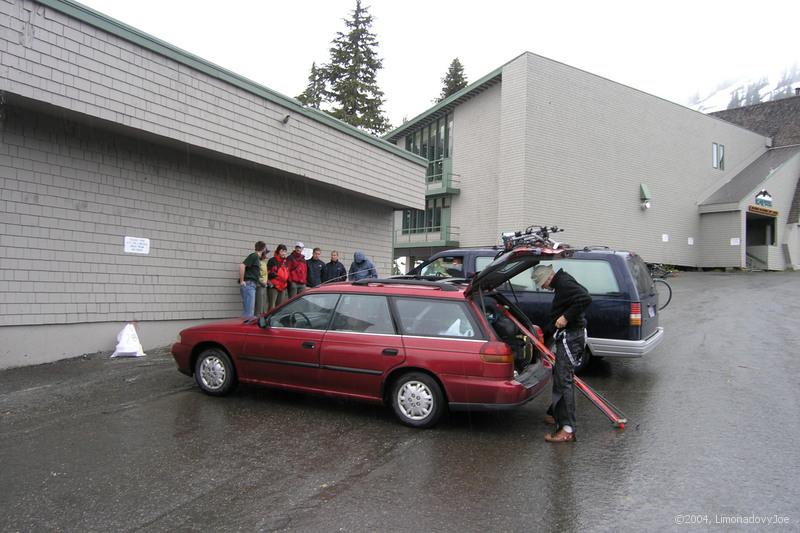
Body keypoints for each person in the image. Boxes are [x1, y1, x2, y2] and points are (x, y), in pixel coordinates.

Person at [532, 263, 592, 443]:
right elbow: (575, 300)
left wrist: (566, 317)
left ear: (549, 278)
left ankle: (567, 429)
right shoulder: (563, 282)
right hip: (571, 336)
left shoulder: (564, 283)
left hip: (571, 338)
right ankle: (557, 415)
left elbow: (585, 298)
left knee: (563, 381)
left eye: (543, 284)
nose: (544, 288)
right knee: (561, 379)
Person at [239, 241, 267, 316]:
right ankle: (245, 327)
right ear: (263, 249)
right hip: (249, 285)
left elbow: (253, 274)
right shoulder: (254, 256)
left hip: (252, 285)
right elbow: (242, 265)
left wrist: (262, 282)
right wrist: (242, 281)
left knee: (248, 311)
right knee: (249, 313)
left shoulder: (257, 258)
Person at [267, 244, 289, 309]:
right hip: (274, 286)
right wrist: (275, 275)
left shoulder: (285, 261)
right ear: (278, 251)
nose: (283, 253)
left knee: (280, 306)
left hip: (283, 286)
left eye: (285, 251)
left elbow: (287, 272)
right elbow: (267, 273)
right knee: (272, 306)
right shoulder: (272, 260)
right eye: (282, 251)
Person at [254, 245, 270, 315]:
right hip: (259, 285)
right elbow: (256, 273)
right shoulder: (257, 261)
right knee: (259, 305)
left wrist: (267, 281)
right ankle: (257, 319)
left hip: (264, 285)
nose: (266, 255)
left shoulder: (264, 262)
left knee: (264, 305)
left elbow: (265, 274)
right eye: (265, 253)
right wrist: (261, 282)